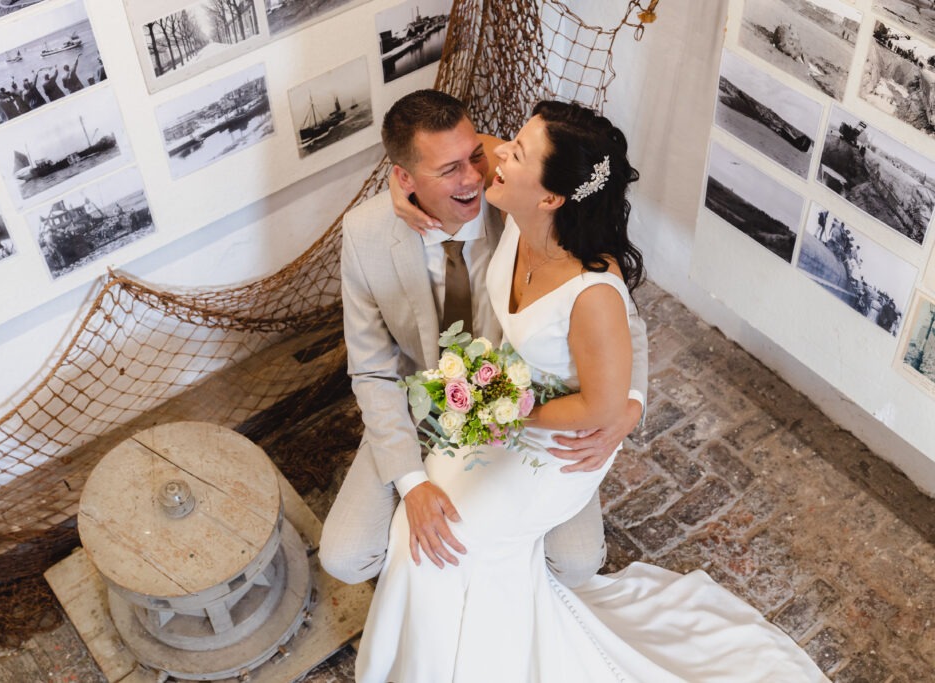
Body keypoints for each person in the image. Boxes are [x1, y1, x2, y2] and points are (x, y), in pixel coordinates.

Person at [354, 100, 828, 682]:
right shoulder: (522, 211)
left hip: (554, 442)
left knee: (449, 548)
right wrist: (404, 184)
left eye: (513, 153)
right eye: (492, 151)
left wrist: (510, 412)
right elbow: (455, 146)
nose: (491, 158)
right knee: (415, 531)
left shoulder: (592, 290)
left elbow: (602, 404)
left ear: (551, 196)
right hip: (494, 406)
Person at [320, 89, 649, 594]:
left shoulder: (523, 207)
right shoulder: (365, 235)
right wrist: (411, 483)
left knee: (577, 563)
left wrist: (628, 403)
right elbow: (371, 370)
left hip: (526, 408)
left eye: (478, 155)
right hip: (423, 406)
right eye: (449, 169)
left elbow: (619, 317)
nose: (474, 176)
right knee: (346, 556)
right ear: (404, 178)